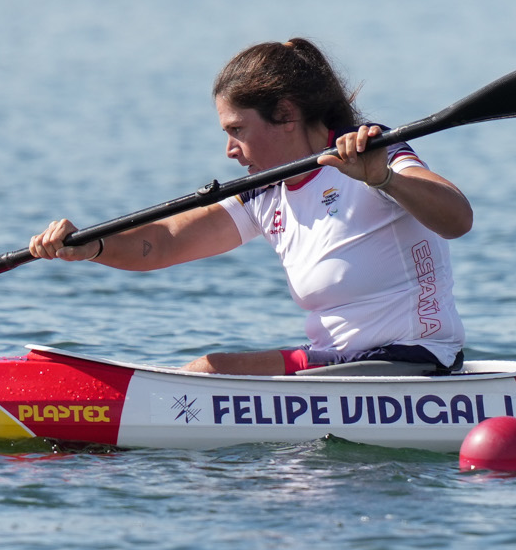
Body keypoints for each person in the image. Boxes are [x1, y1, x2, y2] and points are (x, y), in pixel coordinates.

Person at [27, 39, 472, 374]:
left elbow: (458, 219)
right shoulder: (267, 189)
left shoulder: (370, 151)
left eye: (237, 129)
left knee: (208, 373)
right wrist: (92, 246)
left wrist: (385, 179)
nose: (230, 150)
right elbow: (163, 243)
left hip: (413, 363)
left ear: (285, 114)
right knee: (209, 374)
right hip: (342, 366)